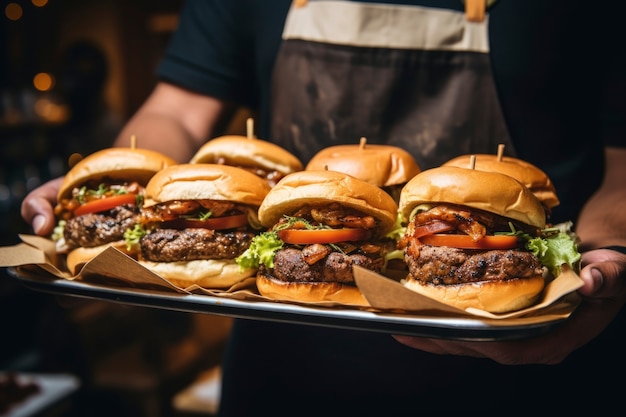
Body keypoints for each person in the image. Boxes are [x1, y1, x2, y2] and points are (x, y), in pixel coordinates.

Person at [21, 0, 626, 415]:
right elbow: (178, 111)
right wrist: (97, 196)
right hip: (281, 366)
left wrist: (608, 254)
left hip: (531, 381)